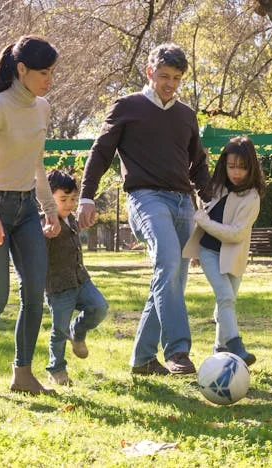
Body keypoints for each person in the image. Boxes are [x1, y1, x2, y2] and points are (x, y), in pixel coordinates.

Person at [77, 43, 210, 376]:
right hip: (145, 199)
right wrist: (86, 196)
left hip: (182, 202)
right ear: (150, 72)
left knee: (172, 279)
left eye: (176, 78)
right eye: (164, 76)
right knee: (168, 263)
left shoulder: (186, 115)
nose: (170, 84)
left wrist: (208, 202)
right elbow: (101, 152)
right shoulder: (127, 107)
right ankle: (178, 350)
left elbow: (198, 164)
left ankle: (143, 359)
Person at [0, 36, 60, 397]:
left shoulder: (42, 108)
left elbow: (37, 163)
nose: (49, 79)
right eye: (43, 72)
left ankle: (23, 374)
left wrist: (49, 209)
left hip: (26, 210)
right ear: (21, 69)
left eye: (52, 72)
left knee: (35, 294)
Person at [182, 136, 265, 366]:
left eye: (242, 167)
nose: (236, 172)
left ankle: (219, 350)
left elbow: (236, 233)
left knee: (226, 302)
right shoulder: (214, 187)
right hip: (209, 251)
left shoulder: (252, 197)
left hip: (234, 257)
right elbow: (202, 204)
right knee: (225, 296)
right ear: (224, 165)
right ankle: (236, 346)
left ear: (251, 167)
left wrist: (204, 222)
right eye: (231, 166)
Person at [43, 170, 109, 386]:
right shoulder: (42, 222)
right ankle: (56, 369)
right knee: (59, 330)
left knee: (99, 307)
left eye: (73, 199)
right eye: (63, 199)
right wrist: (44, 235)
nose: (69, 204)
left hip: (81, 280)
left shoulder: (71, 218)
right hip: (59, 286)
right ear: (47, 198)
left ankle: (77, 332)